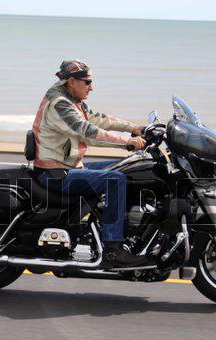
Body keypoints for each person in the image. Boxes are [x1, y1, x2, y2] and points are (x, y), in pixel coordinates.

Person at [32, 60, 146, 267]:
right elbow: (88, 132)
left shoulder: (72, 100)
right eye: (87, 82)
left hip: (70, 166)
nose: (91, 87)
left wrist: (135, 128)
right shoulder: (59, 104)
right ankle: (113, 249)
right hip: (55, 173)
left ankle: (125, 227)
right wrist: (127, 142)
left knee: (130, 165)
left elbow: (99, 119)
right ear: (72, 81)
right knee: (115, 180)